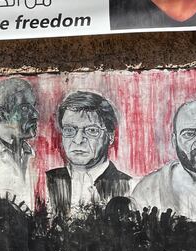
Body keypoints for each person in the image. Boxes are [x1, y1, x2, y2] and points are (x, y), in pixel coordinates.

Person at [46, 91, 134, 219]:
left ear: (110, 136)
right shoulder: (45, 182)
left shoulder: (129, 186)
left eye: (92, 130)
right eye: (70, 130)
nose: (78, 140)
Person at [0, 78, 40, 212]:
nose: (35, 114)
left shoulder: (29, 152)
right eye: (25, 108)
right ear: (2, 114)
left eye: (34, 106)